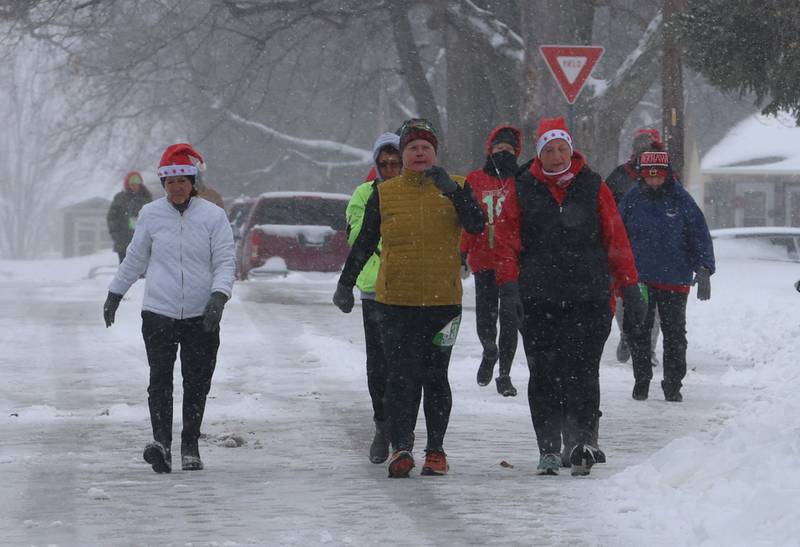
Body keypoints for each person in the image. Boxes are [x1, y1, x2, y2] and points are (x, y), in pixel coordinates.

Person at [333, 118, 485, 478]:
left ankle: (436, 450)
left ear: (435, 153)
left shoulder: (457, 186)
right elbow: (365, 241)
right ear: (402, 155)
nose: (419, 153)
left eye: (425, 148)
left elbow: (478, 225)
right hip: (395, 302)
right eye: (412, 148)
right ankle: (401, 448)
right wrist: (345, 284)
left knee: (436, 377)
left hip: (443, 303)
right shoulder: (385, 193)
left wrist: (454, 193)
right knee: (400, 377)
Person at [493, 117, 645, 476]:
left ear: (571, 150)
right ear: (539, 154)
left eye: (562, 148)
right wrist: (509, 285)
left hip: (589, 297)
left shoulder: (592, 185)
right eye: (549, 150)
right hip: (538, 298)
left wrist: (629, 286)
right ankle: (548, 447)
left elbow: (616, 238)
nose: (557, 156)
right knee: (544, 374)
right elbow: (506, 240)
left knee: (583, 372)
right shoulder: (522, 187)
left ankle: (582, 442)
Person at [103, 143, 235, 474]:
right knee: (160, 379)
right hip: (158, 311)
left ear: (193, 183)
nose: (176, 188)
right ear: (163, 184)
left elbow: (224, 261)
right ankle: (161, 444)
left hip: (201, 314)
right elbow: (135, 258)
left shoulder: (213, 216)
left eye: (182, 181)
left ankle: (190, 444)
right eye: (170, 182)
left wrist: (219, 296)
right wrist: (115, 293)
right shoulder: (151, 215)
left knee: (197, 380)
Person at [618, 150, 715, 403]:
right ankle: (641, 380)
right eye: (649, 176)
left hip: (675, 279)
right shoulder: (632, 199)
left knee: (675, 335)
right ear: (641, 175)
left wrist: (704, 267)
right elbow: (617, 234)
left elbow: (699, 234)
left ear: (668, 175)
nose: (654, 181)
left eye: (658, 176)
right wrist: (615, 268)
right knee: (639, 331)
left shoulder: (682, 200)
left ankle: (673, 384)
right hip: (640, 279)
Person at [345, 131, 403, 464]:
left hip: (410, 289)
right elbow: (358, 237)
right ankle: (382, 424)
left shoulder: (416, 193)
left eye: (396, 163)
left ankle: (402, 430)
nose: (391, 169)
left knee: (405, 365)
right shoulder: (363, 194)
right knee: (378, 366)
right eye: (385, 164)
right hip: (373, 289)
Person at [460, 124, 523, 396]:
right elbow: (467, 219)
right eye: (498, 148)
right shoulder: (475, 179)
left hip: (511, 261)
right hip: (482, 258)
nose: (503, 153)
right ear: (490, 150)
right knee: (486, 315)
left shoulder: (521, 181)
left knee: (510, 318)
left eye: (508, 149)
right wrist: (462, 251)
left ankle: (505, 374)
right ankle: (489, 350)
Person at [606, 128, 663, 364]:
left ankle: (649, 349)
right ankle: (627, 334)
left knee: (653, 302)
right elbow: (604, 206)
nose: (643, 150)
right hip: (624, 248)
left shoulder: (666, 176)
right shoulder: (620, 176)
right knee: (622, 296)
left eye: (648, 145)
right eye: (640, 144)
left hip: (655, 250)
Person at [106, 171, 152, 263]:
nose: (134, 187)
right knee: (125, 267)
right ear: (127, 185)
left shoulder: (146, 198)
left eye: (137, 184)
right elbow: (112, 217)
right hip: (123, 242)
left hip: (142, 241)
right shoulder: (120, 198)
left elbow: (152, 217)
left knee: (143, 267)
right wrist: (116, 235)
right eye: (132, 184)